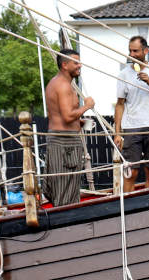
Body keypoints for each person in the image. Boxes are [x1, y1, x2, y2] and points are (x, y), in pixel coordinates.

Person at [114, 36, 149, 192]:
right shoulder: (123, 75)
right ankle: (130, 208)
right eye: (130, 51)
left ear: (145, 51)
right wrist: (117, 133)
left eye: (135, 51)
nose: (132, 54)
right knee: (130, 172)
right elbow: (119, 105)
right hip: (132, 127)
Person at [42, 48, 94, 207]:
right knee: (66, 193)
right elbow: (67, 116)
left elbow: (64, 116)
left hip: (60, 140)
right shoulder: (63, 86)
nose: (80, 66)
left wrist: (80, 123)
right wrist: (87, 106)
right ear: (65, 65)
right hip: (65, 143)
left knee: (62, 188)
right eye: (76, 62)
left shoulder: (56, 83)